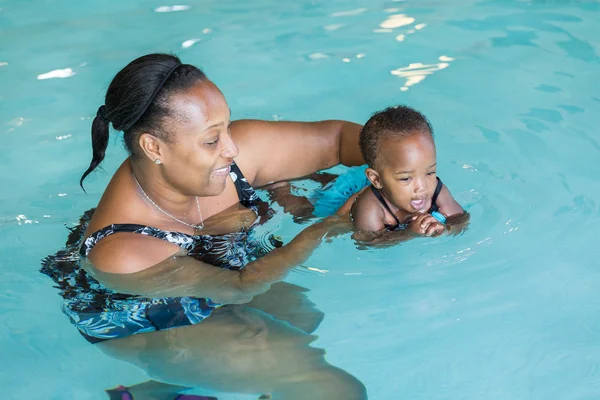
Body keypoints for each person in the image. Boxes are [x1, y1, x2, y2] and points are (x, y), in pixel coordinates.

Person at [42, 53, 368, 399]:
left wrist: (410, 180)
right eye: (212, 140)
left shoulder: (224, 160)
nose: (232, 148)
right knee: (325, 386)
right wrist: (328, 226)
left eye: (227, 127)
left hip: (206, 273)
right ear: (154, 147)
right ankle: (165, 384)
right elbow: (239, 287)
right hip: (149, 321)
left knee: (303, 317)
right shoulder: (120, 251)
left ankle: (173, 387)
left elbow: (337, 139)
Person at [350, 106, 468, 238]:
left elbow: (461, 220)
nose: (422, 187)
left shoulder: (437, 190)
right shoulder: (370, 208)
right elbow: (369, 244)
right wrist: (408, 234)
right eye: (406, 178)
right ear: (377, 180)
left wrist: (445, 229)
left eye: (429, 173)